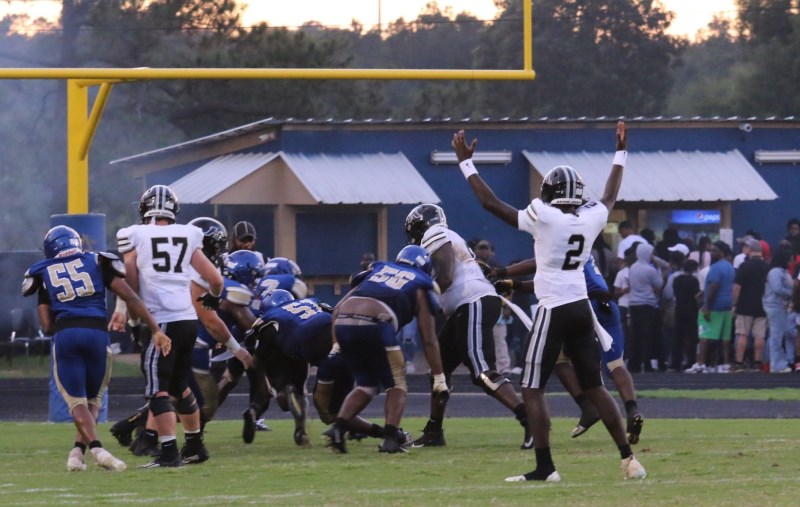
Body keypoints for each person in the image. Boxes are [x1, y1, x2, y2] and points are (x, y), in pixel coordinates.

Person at [453, 121, 645, 482]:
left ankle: (545, 467)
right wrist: (620, 153)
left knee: (532, 387)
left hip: (554, 309)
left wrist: (466, 163)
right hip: (581, 308)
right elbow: (609, 196)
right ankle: (629, 459)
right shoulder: (591, 217)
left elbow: (490, 203)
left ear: (550, 192)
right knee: (594, 386)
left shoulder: (545, 216)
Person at [22, 226, 169, 472]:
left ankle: (96, 449)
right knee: (94, 398)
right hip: (97, 334)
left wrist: (65, 321)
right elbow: (131, 296)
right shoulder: (97, 260)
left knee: (76, 401)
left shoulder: (42, 271)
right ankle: (77, 453)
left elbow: (46, 326)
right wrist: (155, 329)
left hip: (67, 334)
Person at [113, 184, 225, 468]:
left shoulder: (134, 234)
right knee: (179, 385)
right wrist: (213, 298)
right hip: (187, 320)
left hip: (161, 321)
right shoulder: (189, 233)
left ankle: (168, 452)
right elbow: (215, 279)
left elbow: (130, 281)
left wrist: (135, 318)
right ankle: (195, 446)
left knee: (157, 390)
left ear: (144, 208)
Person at [404, 205, 532, 450]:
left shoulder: (435, 234)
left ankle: (530, 419)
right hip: (466, 306)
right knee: (439, 370)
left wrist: (417, 299)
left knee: (482, 372)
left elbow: (445, 278)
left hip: (471, 302)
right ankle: (434, 431)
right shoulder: (449, 237)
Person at [494, 255, 644, 445]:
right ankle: (632, 410)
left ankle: (587, 407)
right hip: (607, 303)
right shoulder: (583, 248)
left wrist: (507, 277)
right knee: (615, 364)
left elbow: (542, 277)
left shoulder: (561, 246)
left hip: (582, 305)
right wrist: (514, 283)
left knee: (556, 357)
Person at [324, 245, 447, 454]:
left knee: (366, 384)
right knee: (397, 382)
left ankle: (338, 429)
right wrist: (439, 377)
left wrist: (336, 344)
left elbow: (337, 309)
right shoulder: (421, 283)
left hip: (343, 322)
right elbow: (429, 339)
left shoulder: (378, 269)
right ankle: (391, 439)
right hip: (377, 321)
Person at [687, 241, 735, 373]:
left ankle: (701, 363)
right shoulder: (730, 267)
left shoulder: (715, 268)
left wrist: (707, 306)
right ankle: (726, 364)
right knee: (725, 337)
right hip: (727, 305)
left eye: (715, 251)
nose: (712, 253)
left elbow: (713, 286)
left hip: (715, 305)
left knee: (704, 335)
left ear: (722, 252)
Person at [732, 239, 769, 371]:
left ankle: (739, 362)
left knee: (742, 334)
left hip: (745, 305)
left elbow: (737, 287)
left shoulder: (744, 266)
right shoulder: (767, 267)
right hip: (762, 305)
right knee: (759, 335)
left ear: (750, 250)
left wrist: (734, 304)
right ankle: (757, 362)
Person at [763, 247, 795, 373]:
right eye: (789, 259)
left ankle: (774, 361)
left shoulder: (783, 272)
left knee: (777, 334)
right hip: (775, 305)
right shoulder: (775, 272)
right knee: (776, 336)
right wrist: (791, 293)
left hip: (780, 305)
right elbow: (777, 288)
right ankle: (776, 365)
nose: (791, 262)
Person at [672, 259, 701, 371]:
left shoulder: (677, 279)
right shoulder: (694, 280)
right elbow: (696, 295)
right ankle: (690, 361)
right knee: (691, 337)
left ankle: (676, 362)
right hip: (691, 310)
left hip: (679, 308)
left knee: (678, 336)